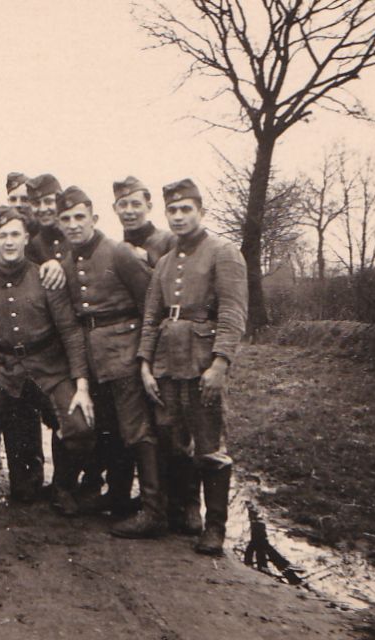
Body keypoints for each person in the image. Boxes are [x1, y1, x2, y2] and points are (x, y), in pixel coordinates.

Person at [0, 209, 95, 506]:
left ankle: (63, 486)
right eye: (3, 236)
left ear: (26, 238)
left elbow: (71, 333)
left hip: (46, 367)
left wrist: (82, 386)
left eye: (15, 235)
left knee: (79, 422)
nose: (9, 242)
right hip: (2, 367)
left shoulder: (46, 278)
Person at [138, 178, 248, 555]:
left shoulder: (224, 251)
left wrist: (220, 362)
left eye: (187, 209)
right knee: (172, 439)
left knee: (209, 445)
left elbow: (233, 311)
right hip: (168, 363)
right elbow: (151, 317)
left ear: (202, 212)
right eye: (173, 210)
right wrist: (145, 366)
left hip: (202, 361)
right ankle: (188, 510)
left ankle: (215, 528)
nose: (179, 216)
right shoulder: (165, 262)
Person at [54, 186, 165, 537]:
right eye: (66, 219)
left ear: (94, 218)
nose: (73, 225)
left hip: (126, 353)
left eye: (79, 217)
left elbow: (150, 303)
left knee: (137, 431)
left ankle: (153, 510)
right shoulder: (68, 263)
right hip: (94, 355)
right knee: (110, 431)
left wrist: (146, 355)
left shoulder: (118, 253)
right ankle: (117, 496)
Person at [113, 175, 200, 534]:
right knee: (147, 425)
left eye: (136, 203)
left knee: (176, 427)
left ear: (149, 206)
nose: (130, 211)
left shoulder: (165, 241)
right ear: (115, 209)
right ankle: (158, 501)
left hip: (171, 346)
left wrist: (144, 259)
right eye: (123, 205)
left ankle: (189, 505)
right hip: (137, 343)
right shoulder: (118, 245)